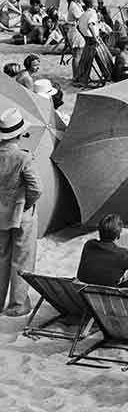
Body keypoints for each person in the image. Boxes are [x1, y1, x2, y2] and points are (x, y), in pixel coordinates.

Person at [0, 108, 41, 316]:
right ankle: (17, 304)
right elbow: (36, 188)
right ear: (19, 134)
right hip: (20, 213)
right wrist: (27, 204)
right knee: (22, 259)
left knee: (1, 258)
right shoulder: (23, 157)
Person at [76, 213, 128, 286]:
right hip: (107, 292)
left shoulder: (89, 245)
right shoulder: (122, 255)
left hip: (84, 289)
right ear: (118, 235)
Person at [65, 0, 84, 79]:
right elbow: (80, 18)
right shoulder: (73, 6)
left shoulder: (78, 5)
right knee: (77, 55)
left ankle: (77, 75)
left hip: (76, 31)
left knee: (78, 54)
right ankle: (75, 76)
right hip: (75, 32)